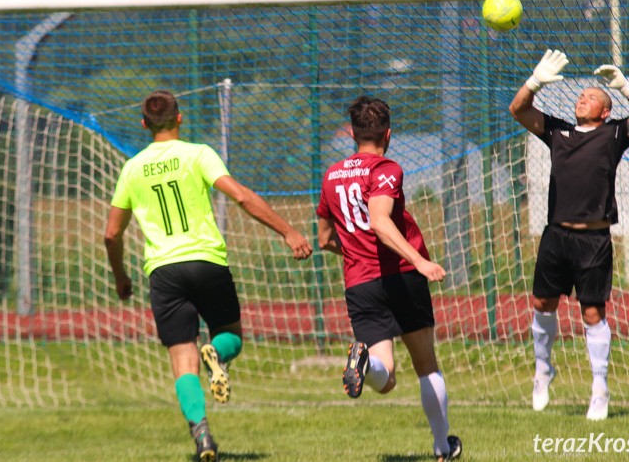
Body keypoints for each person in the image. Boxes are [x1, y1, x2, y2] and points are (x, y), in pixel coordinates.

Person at [105, 89, 312, 462]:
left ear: (144, 124)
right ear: (179, 118)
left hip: (164, 272)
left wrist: (121, 276)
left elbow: (111, 233)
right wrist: (288, 231)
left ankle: (202, 434)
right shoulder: (198, 153)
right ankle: (216, 353)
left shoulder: (132, 168)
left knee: (183, 361)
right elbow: (242, 197)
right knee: (231, 335)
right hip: (206, 263)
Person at [508, 49, 629, 420]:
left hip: (594, 241)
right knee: (543, 305)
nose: (582, 98)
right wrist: (534, 82)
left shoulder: (614, 133)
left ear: (605, 111)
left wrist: (624, 87)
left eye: (592, 97)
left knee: (592, 313)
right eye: (581, 95)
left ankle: (600, 390)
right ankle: (543, 372)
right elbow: (519, 110)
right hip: (555, 237)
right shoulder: (558, 131)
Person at [316, 95, 462, 462]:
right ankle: (443, 448)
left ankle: (366, 362)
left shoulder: (331, 175)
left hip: (359, 284)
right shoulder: (386, 168)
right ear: (389, 134)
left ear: (352, 133)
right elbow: (380, 221)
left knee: (387, 379)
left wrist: (353, 250)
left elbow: (323, 239)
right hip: (402, 275)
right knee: (425, 365)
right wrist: (420, 261)